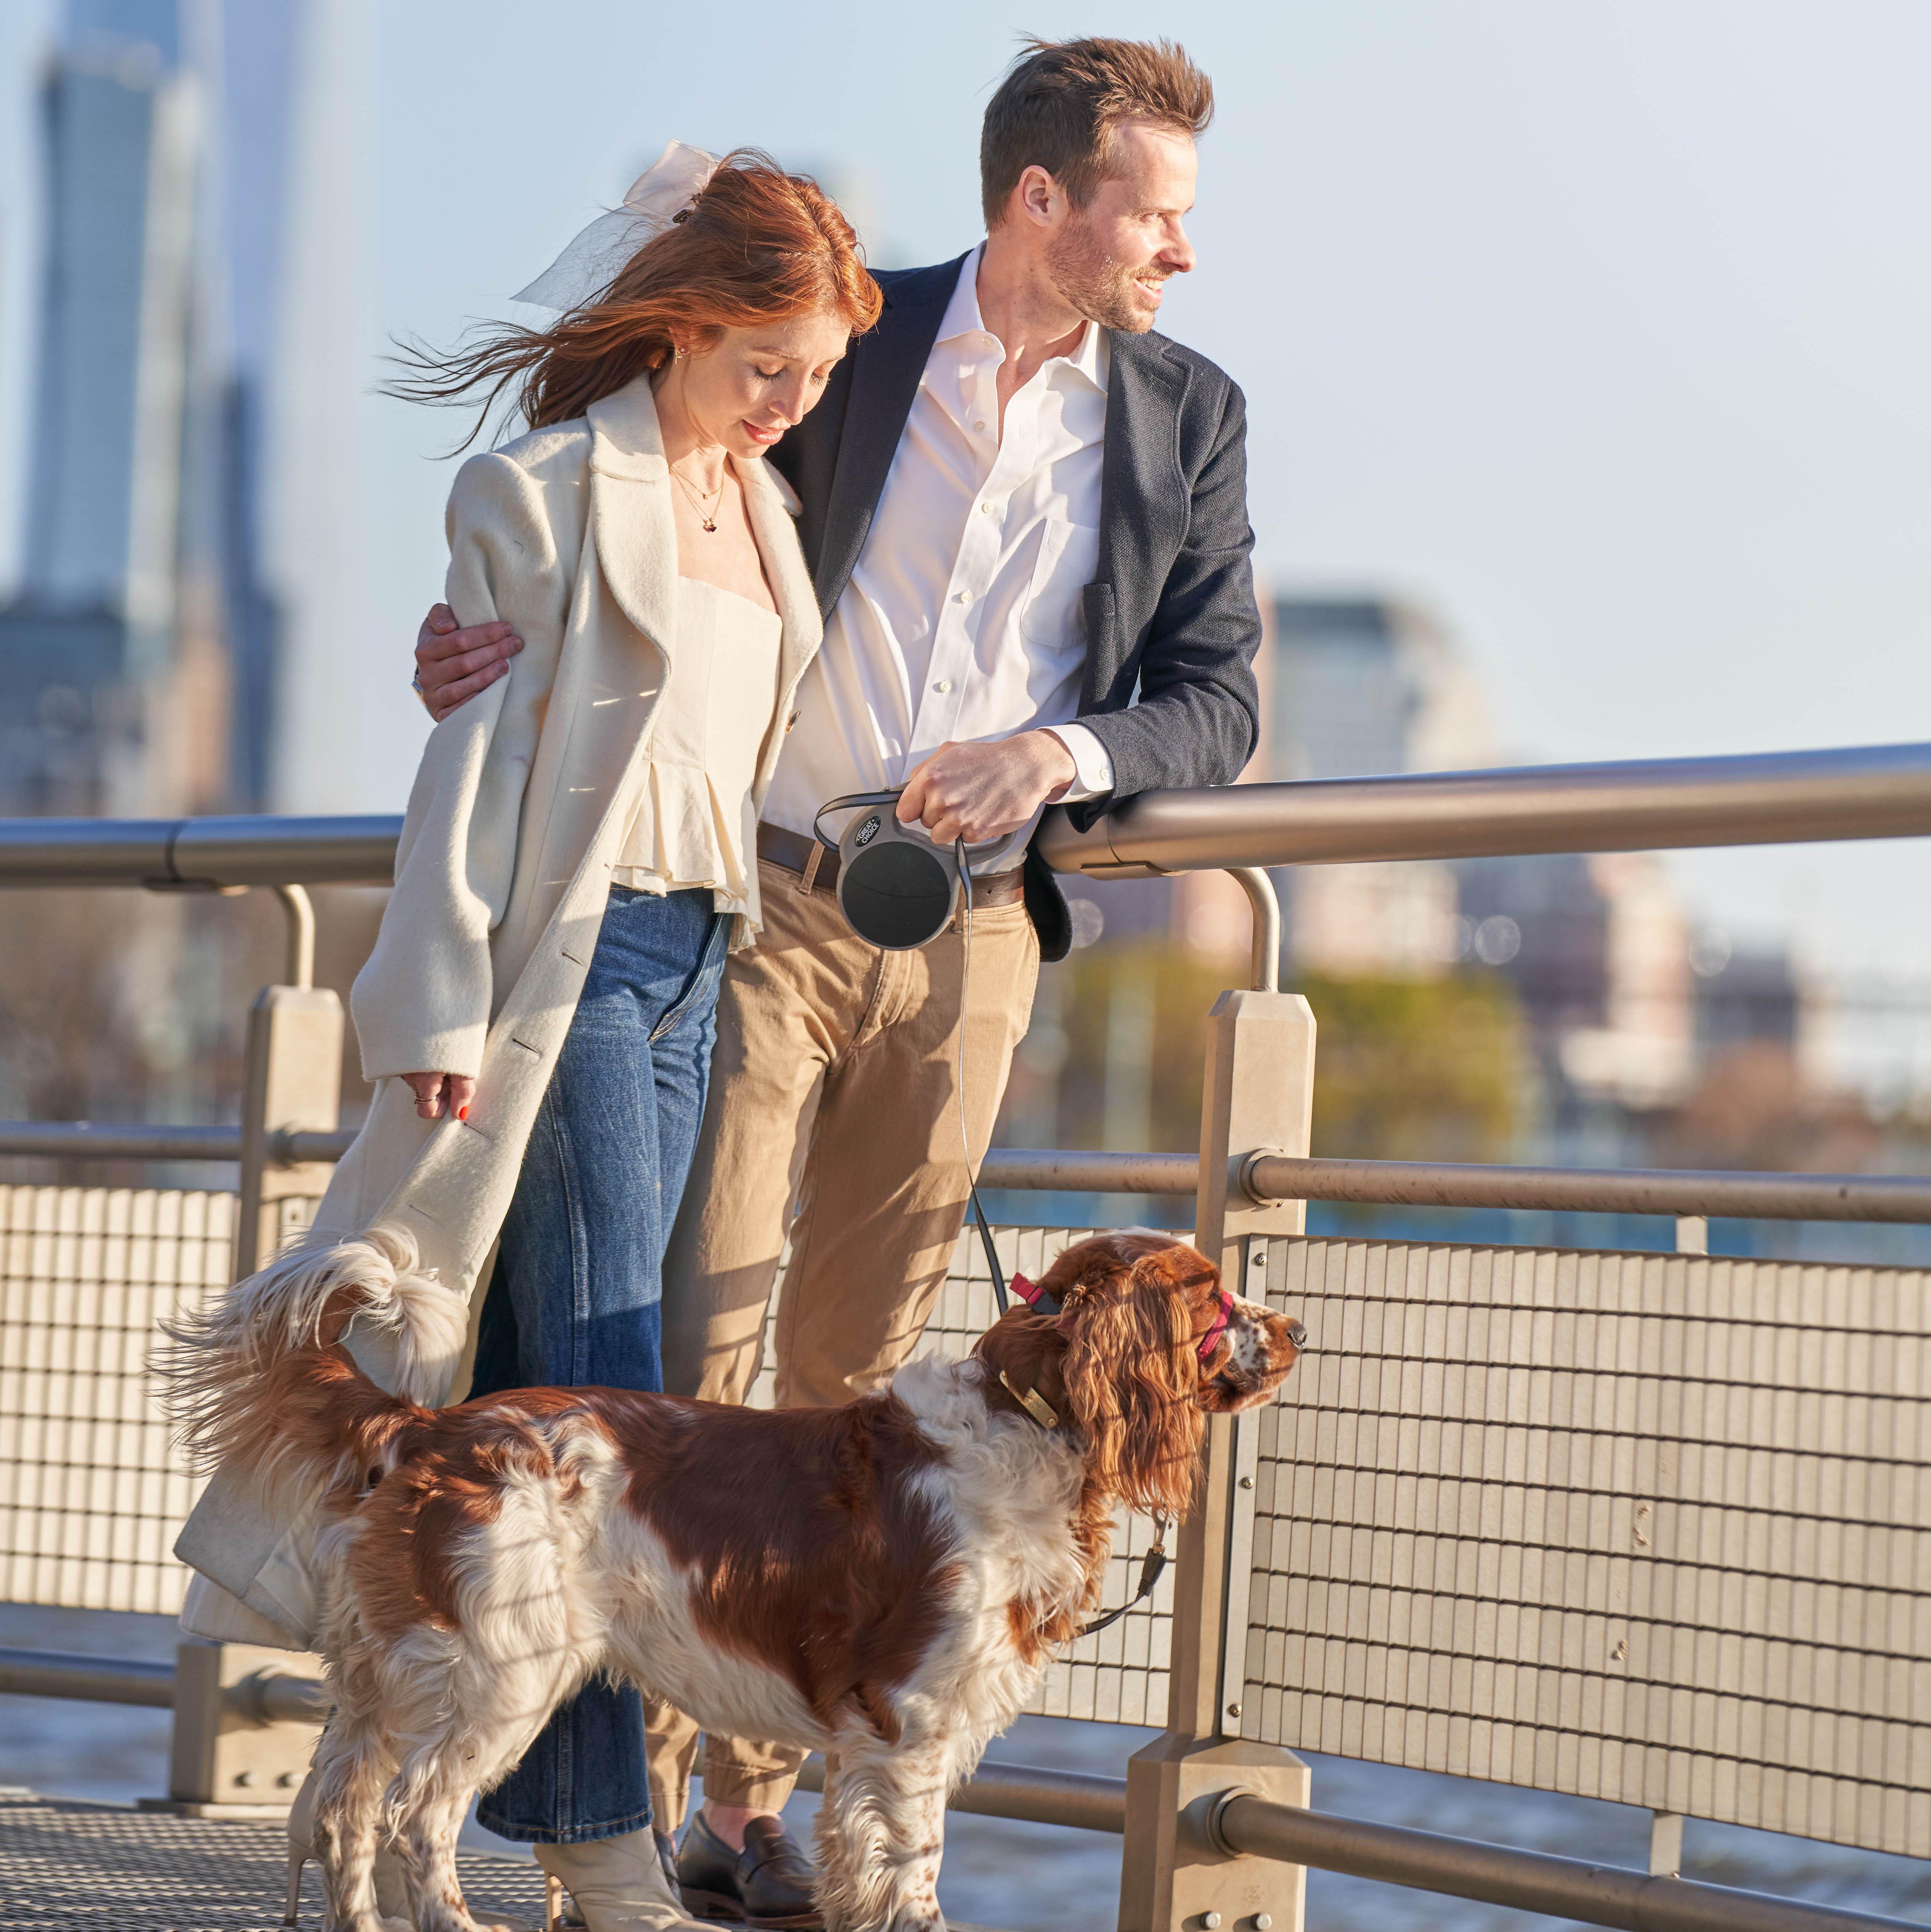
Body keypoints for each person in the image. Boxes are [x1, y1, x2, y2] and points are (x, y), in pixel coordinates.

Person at [415, 33, 1260, 1931]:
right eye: (1164, 213)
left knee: (863, 1381)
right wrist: (491, 628)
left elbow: (1219, 698)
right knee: (684, 1340)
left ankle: (751, 1805)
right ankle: (600, 1823)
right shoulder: (862, 338)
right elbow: (662, 470)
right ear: (1044, 200)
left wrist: (1057, 757)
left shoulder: (1187, 414)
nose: (1186, 253)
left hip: (967, 939)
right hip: (765, 900)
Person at [173, 150, 881, 1932]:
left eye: (817, 375)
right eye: (768, 363)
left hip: (697, 959)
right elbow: (468, 772)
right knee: (601, 1381)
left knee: (551, 1381)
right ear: (688, 315)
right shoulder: (546, 485)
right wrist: (432, 1002)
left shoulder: (766, 510)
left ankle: (376, 1773)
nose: (793, 402)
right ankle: (594, 1851)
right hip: (568, 963)